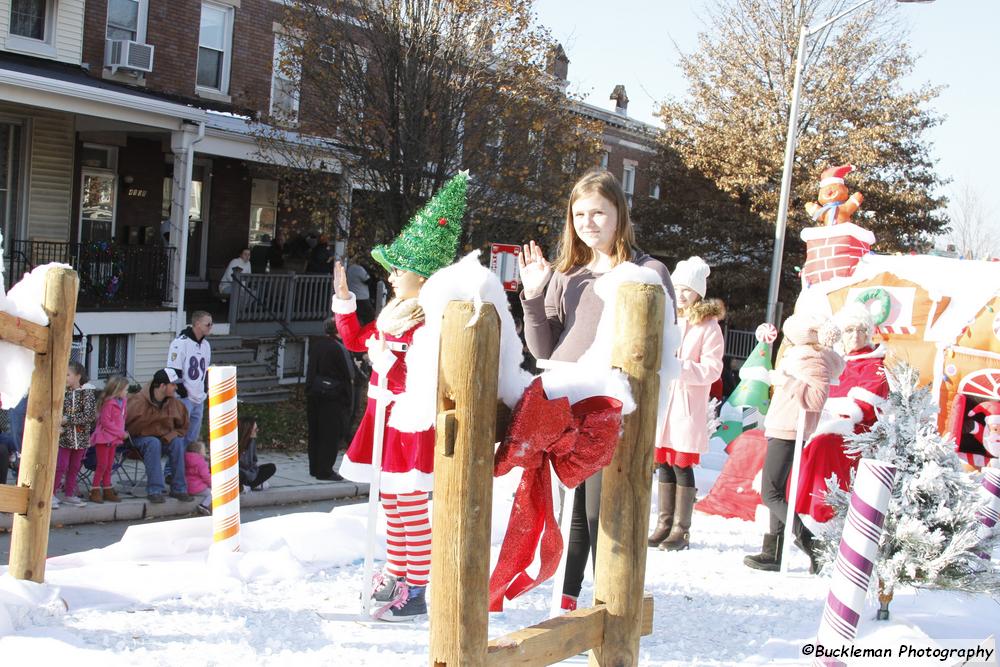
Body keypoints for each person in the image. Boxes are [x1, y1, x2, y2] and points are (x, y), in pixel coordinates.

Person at [518, 168, 675, 611]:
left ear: (618, 214)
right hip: (569, 404)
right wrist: (532, 295)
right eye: (579, 213)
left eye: (598, 213)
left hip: (616, 406)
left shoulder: (646, 272)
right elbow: (544, 349)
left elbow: (663, 350)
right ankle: (568, 604)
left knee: (603, 511)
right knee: (577, 512)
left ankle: (612, 608)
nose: (588, 222)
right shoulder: (568, 274)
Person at [332, 171, 467, 622]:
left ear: (422, 277)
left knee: (410, 506)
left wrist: (394, 367)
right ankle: (396, 571)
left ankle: (418, 586)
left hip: (409, 422)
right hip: (383, 419)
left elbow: (432, 373)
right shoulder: (392, 315)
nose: (391, 277)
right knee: (391, 502)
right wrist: (345, 303)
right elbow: (356, 341)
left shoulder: (432, 319)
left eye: (399, 269)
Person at [744, 313, 844, 572]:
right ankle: (773, 551)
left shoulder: (810, 357)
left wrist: (783, 381)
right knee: (776, 490)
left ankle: (812, 544)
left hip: (790, 428)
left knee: (771, 492)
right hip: (784, 425)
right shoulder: (801, 354)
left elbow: (815, 398)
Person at [791, 303, 889, 566]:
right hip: (823, 425)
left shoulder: (875, 365)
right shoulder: (834, 361)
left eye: (861, 330)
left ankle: (820, 520)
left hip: (857, 435)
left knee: (824, 448)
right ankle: (795, 517)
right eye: (849, 330)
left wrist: (838, 412)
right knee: (794, 446)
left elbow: (866, 407)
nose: (855, 336)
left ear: (869, 334)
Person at [650, 257, 725, 551]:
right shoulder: (668, 317)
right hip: (665, 401)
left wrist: (678, 367)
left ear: (698, 292)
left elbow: (712, 369)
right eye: (677, 288)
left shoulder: (709, 326)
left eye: (687, 290)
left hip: (686, 404)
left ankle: (681, 529)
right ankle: (663, 523)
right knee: (664, 464)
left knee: (682, 465)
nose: (681, 295)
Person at [125, 368, 193, 504]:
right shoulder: (138, 401)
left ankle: (179, 489)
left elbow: (183, 427)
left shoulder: (175, 403)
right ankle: (155, 490)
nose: (176, 388)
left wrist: (170, 436)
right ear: (162, 386)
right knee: (153, 442)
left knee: (177, 442)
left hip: (164, 439)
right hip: (137, 441)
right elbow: (126, 427)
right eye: (173, 384)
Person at [305, 318, 355, 481]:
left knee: (316, 433)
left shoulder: (316, 344)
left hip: (315, 392)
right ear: (338, 330)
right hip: (333, 396)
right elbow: (348, 374)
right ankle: (325, 470)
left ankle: (315, 467)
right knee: (330, 435)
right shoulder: (339, 348)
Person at [54, 361, 97, 507]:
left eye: (67, 374)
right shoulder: (62, 392)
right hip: (64, 437)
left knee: (74, 467)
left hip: (81, 438)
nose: (64, 377)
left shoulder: (87, 393)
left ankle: (69, 494)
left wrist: (68, 419)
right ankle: (51, 494)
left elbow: (89, 415)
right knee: (61, 465)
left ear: (78, 376)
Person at [168, 311, 212, 447]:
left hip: (199, 398)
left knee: (192, 439)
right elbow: (173, 371)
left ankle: (189, 467)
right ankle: (171, 468)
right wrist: (183, 393)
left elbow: (205, 371)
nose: (211, 327)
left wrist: (205, 390)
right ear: (197, 324)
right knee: (179, 437)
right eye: (208, 324)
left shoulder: (206, 345)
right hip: (184, 399)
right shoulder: (180, 343)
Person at [89, 375, 130, 503]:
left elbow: (121, 420)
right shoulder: (109, 403)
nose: (127, 392)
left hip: (114, 439)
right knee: (102, 465)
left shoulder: (122, 402)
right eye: (125, 389)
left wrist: (120, 433)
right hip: (104, 438)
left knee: (109, 465)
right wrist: (120, 433)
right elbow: (106, 422)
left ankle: (107, 489)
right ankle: (94, 489)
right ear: (117, 390)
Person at [238, 417, 276, 491]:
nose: (257, 430)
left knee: (271, 467)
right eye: (255, 429)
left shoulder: (252, 442)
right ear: (248, 430)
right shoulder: (235, 443)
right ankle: (245, 486)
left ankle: (247, 486)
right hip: (239, 474)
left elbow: (254, 462)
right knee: (238, 473)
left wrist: (251, 474)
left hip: (249, 473)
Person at [185, 440, 213, 515]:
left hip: (187, 487)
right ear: (199, 452)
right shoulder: (201, 462)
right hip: (198, 488)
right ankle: (203, 506)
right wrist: (212, 484)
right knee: (214, 493)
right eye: (204, 450)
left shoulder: (185, 458)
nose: (205, 451)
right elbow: (206, 476)